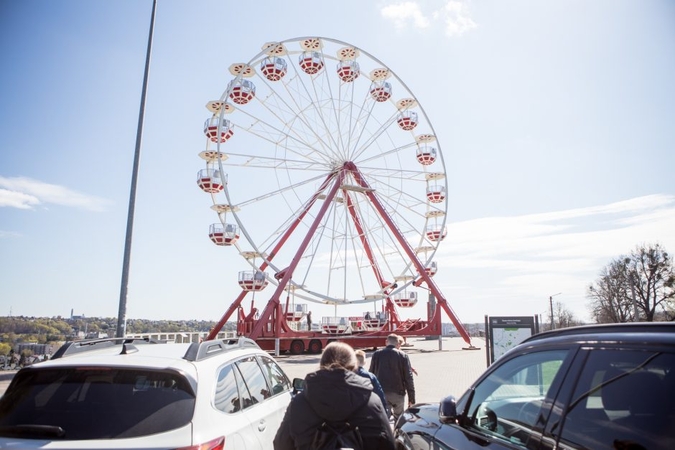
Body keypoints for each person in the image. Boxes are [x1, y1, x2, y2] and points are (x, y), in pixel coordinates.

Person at [274, 341, 395, 450]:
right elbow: (388, 444)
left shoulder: (300, 403)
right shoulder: (372, 402)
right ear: (354, 368)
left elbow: (281, 444)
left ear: (322, 365)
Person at [369, 334, 416, 422]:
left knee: (383, 419)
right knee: (399, 419)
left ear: (386, 342)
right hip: (398, 393)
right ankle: (396, 434)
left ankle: (386, 434)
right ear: (398, 343)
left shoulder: (377, 354)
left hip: (381, 393)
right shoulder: (403, 355)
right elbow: (408, 378)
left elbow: (371, 374)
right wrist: (411, 398)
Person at [354, 349, 389, 417]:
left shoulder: (345, 374)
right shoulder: (370, 376)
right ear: (364, 362)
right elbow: (379, 395)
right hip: (366, 412)